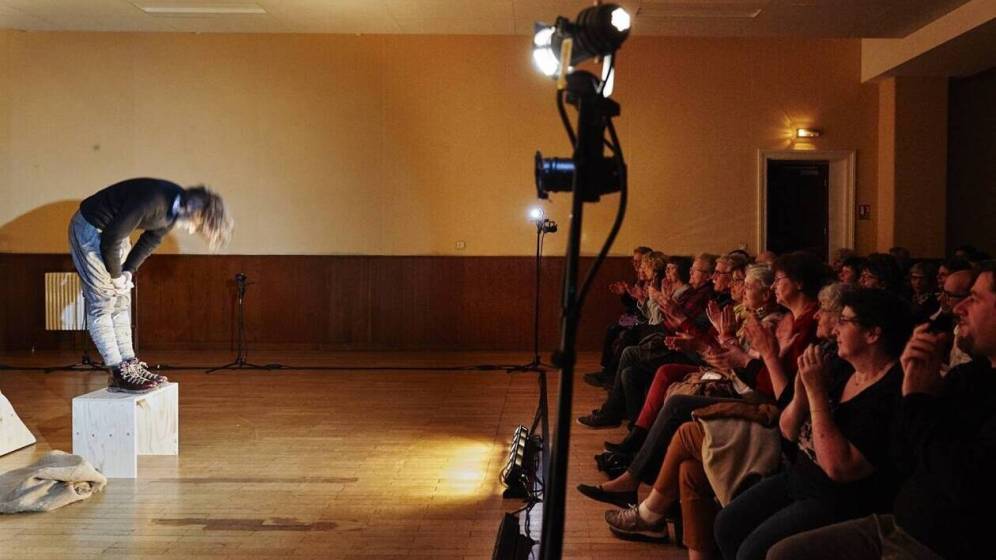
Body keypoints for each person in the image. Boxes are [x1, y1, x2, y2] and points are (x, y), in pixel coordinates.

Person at [766, 261, 996, 560]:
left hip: (944, 542)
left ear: (873, 334)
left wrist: (915, 397)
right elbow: (903, 455)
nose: (959, 307)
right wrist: (916, 392)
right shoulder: (968, 376)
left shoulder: (892, 385)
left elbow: (961, 482)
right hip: (899, 522)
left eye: (974, 298)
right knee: (776, 550)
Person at [713, 288, 913, 560]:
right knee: (727, 524)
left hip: (837, 499)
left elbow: (838, 467)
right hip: (800, 477)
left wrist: (816, 393)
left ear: (873, 333)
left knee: (754, 551)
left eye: (844, 321)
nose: (835, 329)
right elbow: (788, 429)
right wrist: (800, 392)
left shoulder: (891, 392)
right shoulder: (841, 365)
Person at [69, 178, 233, 393]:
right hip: (91, 229)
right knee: (103, 301)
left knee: (121, 300)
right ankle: (117, 371)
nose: (193, 230)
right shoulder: (155, 201)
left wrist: (128, 271)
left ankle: (129, 363)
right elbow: (111, 237)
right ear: (194, 207)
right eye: (198, 224)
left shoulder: (174, 207)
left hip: (113, 234)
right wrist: (115, 275)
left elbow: (151, 240)